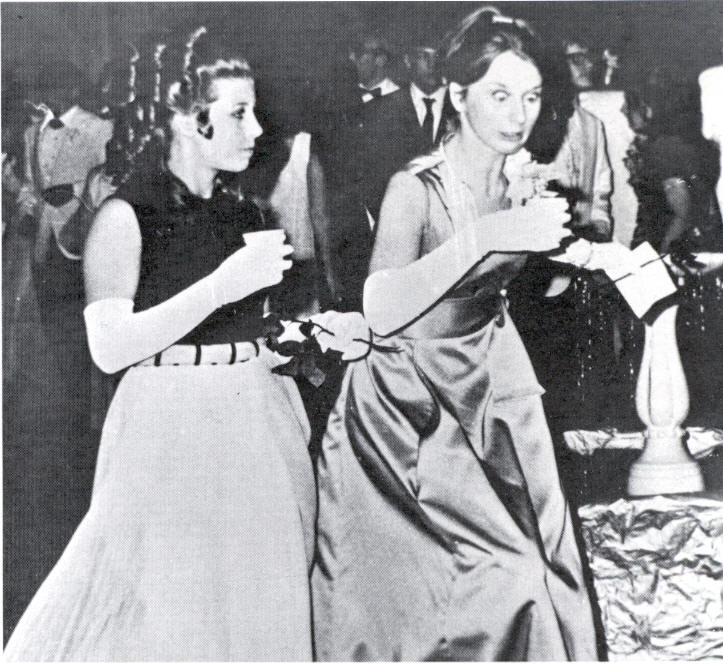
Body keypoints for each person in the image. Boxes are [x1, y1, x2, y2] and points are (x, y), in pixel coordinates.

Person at [4, 29, 316, 661]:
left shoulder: (245, 215)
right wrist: (221, 288)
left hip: (258, 414)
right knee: (177, 615)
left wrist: (298, 337)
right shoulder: (126, 215)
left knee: (260, 610)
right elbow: (109, 347)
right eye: (238, 113)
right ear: (184, 117)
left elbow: (246, 326)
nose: (256, 129)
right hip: (172, 427)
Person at [312, 7, 600, 661]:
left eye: (530, 97)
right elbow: (380, 307)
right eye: (499, 95)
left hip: (491, 381)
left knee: (542, 563)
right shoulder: (414, 187)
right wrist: (488, 237)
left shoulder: (520, 179)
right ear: (457, 94)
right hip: (407, 405)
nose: (518, 115)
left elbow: (517, 283)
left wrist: (589, 258)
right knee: (481, 582)